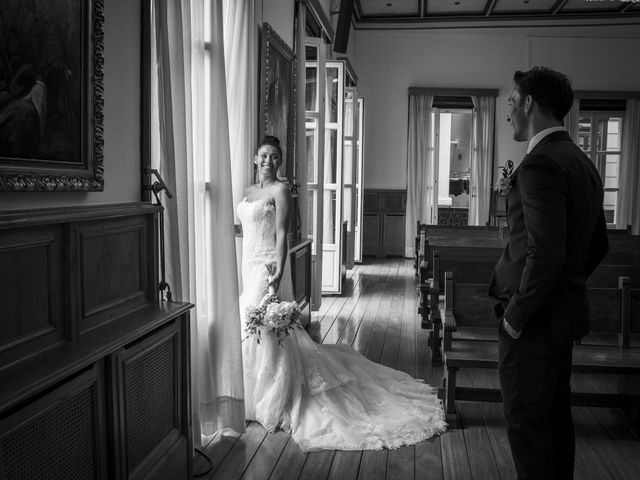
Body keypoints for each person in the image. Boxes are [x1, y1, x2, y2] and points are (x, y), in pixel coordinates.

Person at [236, 135, 446, 452]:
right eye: (264, 155)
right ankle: (248, 392)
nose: (269, 161)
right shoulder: (248, 192)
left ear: (280, 161)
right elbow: (244, 227)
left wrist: (278, 271)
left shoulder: (280, 190)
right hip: (246, 262)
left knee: (262, 324)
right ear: (254, 158)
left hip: (266, 265)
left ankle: (272, 397)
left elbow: (282, 234)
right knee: (251, 325)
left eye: (275, 156)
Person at [489, 67, 609, 479]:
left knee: (527, 425)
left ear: (528, 103)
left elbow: (545, 253)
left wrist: (515, 316)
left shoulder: (540, 165)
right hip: (559, 320)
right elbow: (597, 247)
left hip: (533, 323)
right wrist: (563, 288)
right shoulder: (582, 162)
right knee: (555, 421)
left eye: (511, 100)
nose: (508, 109)